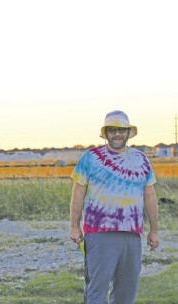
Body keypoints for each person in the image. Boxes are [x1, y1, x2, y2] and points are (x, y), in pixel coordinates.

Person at [68, 110, 159, 304]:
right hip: (100, 233)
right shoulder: (90, 157)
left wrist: (154, 230)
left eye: (121, 130)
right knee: (97, 289)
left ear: (128, 132)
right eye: (112, 130)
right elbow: (78, 193)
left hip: (132, 234)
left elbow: (149, 195)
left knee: (126, 291)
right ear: (105, 133)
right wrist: (74, 226)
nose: (117, 134)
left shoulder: (141, 159)